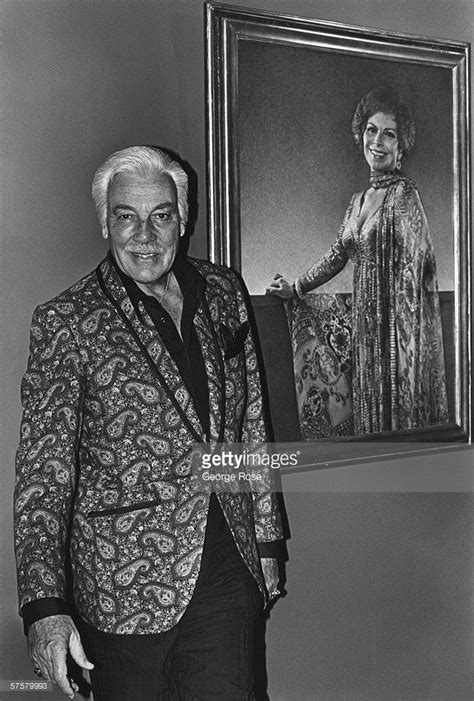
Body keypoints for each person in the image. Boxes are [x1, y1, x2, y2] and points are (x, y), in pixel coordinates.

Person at [14, 146, 284, 700]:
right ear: (105, 221)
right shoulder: (68, 322)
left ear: (181, 219)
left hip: (225, 570)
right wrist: (43, 609)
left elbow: (251, 421)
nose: (144, 234)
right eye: (125, 216)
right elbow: (44, 477)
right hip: (120, 589)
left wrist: (267, 537)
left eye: (160, 215)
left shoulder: (224, 294)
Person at [267, 85, 449, 435]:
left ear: (401, 145)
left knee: (396, 422)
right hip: (365, 330)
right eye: (371, 130)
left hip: (396, 334)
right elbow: (338, 254)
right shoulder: (357, 201)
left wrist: (402, 342)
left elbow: (417, 270)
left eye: (388, 134)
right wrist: (297, 286)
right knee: (368, 422)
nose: (377, 141)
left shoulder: (404, 196)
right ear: (360, 134)